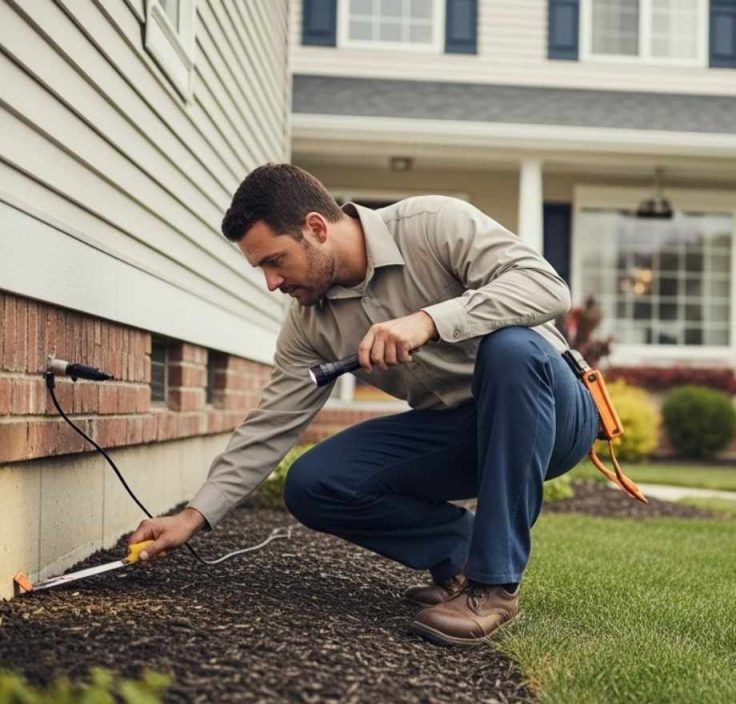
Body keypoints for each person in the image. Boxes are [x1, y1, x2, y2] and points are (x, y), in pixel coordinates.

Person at [128, 163, 600, 646]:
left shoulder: (434, 225)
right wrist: (193, 516)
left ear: (316, 228)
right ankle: (461, 557)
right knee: (315, 482)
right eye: (262, 269)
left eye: (275, 261)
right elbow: (271, 423)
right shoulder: (308, 325)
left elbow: (547, 287)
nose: (271, 282)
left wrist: (428, 321)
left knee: (511, 348)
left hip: (551, 410)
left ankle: (494, 586)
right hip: (461, 429)